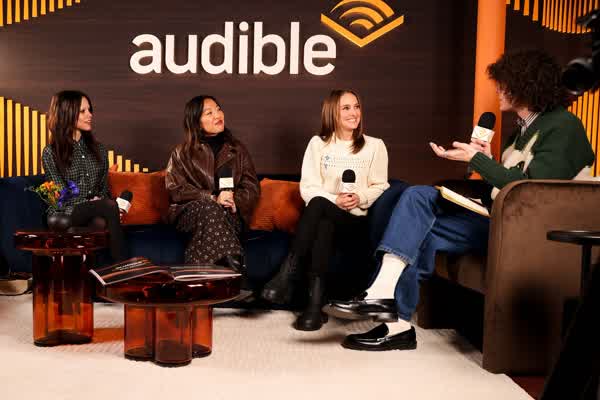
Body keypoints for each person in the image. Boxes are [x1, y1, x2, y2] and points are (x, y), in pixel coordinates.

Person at [327, 49, 596, 351]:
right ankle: (395, 322)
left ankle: (381, 297)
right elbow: (508, 185)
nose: (498, 90)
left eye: (504, 83)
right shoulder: (522, 131)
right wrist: (484, 159)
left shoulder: (564, 126)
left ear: (526, 85)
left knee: (419, 210)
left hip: (528, 233)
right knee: (417, 205)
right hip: (501, 220)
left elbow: (530, 188)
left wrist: (478, 160)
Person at [260, 89, 390, 331]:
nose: (354, 113)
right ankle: (314, 308)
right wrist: (335, 200)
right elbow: (308, 188)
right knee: (323, 220)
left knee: (320, 206)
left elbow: (381, 185)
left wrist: (359, 197)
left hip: (355, 222)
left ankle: (287, 275)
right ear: (332, 113)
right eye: (346, 108)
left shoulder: (375, 146)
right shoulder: (318, 144)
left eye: (356, 106)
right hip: (325, 216)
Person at [165, 95, 260, 297]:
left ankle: (193, 286)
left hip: (229, 215)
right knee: (209, 207)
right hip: (190, 214)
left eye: (218, 109)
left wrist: (235, 200)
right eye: (209, 113)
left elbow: (252, 187)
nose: (218, 115)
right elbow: (175, 190)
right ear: (196, 122)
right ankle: (238, 275)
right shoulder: (181, 153)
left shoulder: (237, 150)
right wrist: (211, 197)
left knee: (213, 214)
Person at [42, 90, 126, 262]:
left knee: (98, 222)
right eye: (83, 111)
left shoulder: (99, 150)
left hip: (94, 211)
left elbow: (103, 189)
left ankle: (86, 270)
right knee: (108, 206)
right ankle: (122, 265)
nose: (90, 115)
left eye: (89, 110)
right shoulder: (51, 152)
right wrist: (93, 203)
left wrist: (98, 200)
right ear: (67, 114)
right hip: (65, 212)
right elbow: (60, 196)